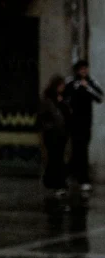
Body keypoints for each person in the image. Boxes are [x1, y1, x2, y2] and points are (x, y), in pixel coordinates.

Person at [65, 59, 103, 191]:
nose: (84, 71)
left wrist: (87, 87)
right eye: (81, 69)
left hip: (86, 122)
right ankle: (74, 174)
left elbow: (99, 97)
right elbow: (64, 97)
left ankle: (82, 177)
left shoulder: (91, 82)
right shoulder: (70, 82)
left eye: (85, 69)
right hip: (73, 122)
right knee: (76, 148)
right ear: (77, 70)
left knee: (83, 149)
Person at [39, 75, 72, 196]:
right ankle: (56, 182)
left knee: (59, 158)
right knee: (55, 158)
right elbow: (43, 117)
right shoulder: (48, 100)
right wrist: (49, 127)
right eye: (60, 86)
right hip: (52, 134)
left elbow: (67, 114)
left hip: (62, 133)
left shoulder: (63, 99)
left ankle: (55, 181)